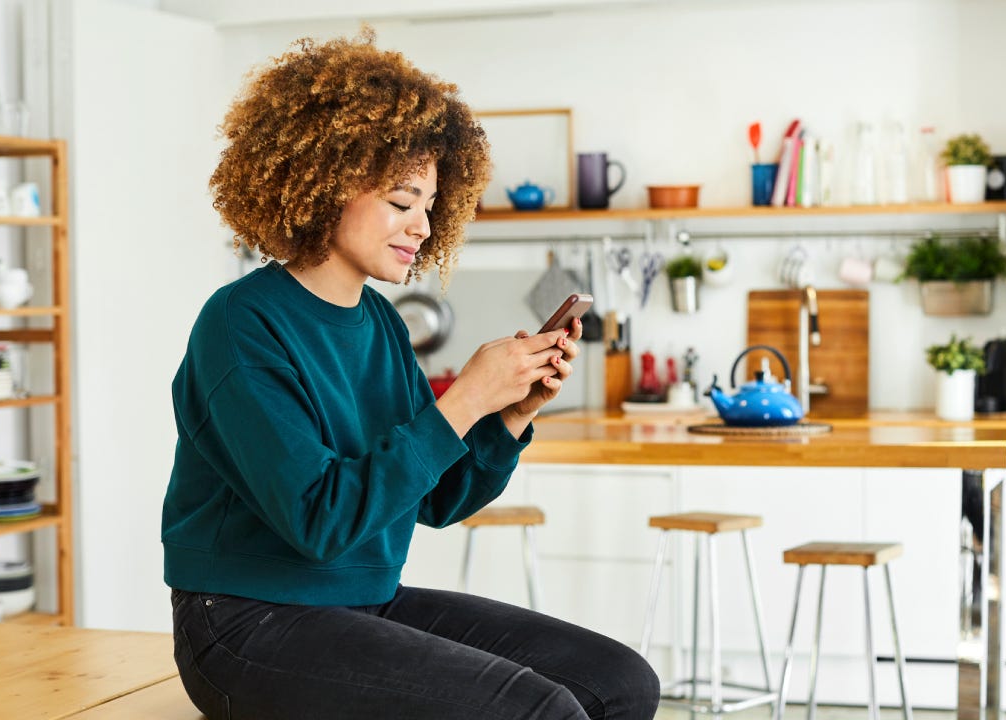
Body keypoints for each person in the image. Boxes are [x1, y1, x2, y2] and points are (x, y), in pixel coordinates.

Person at [161, 29, 660, 720]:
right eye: (402, 201)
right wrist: (464, 399)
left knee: (620, 683)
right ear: (327, 183)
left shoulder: (383, 324)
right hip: (246, 624)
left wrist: (512, 412)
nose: (422, 225)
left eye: (430, 205)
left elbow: (438, 498)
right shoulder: (241, 324)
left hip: (359, 602)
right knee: (542, 713)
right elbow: (321, 521)